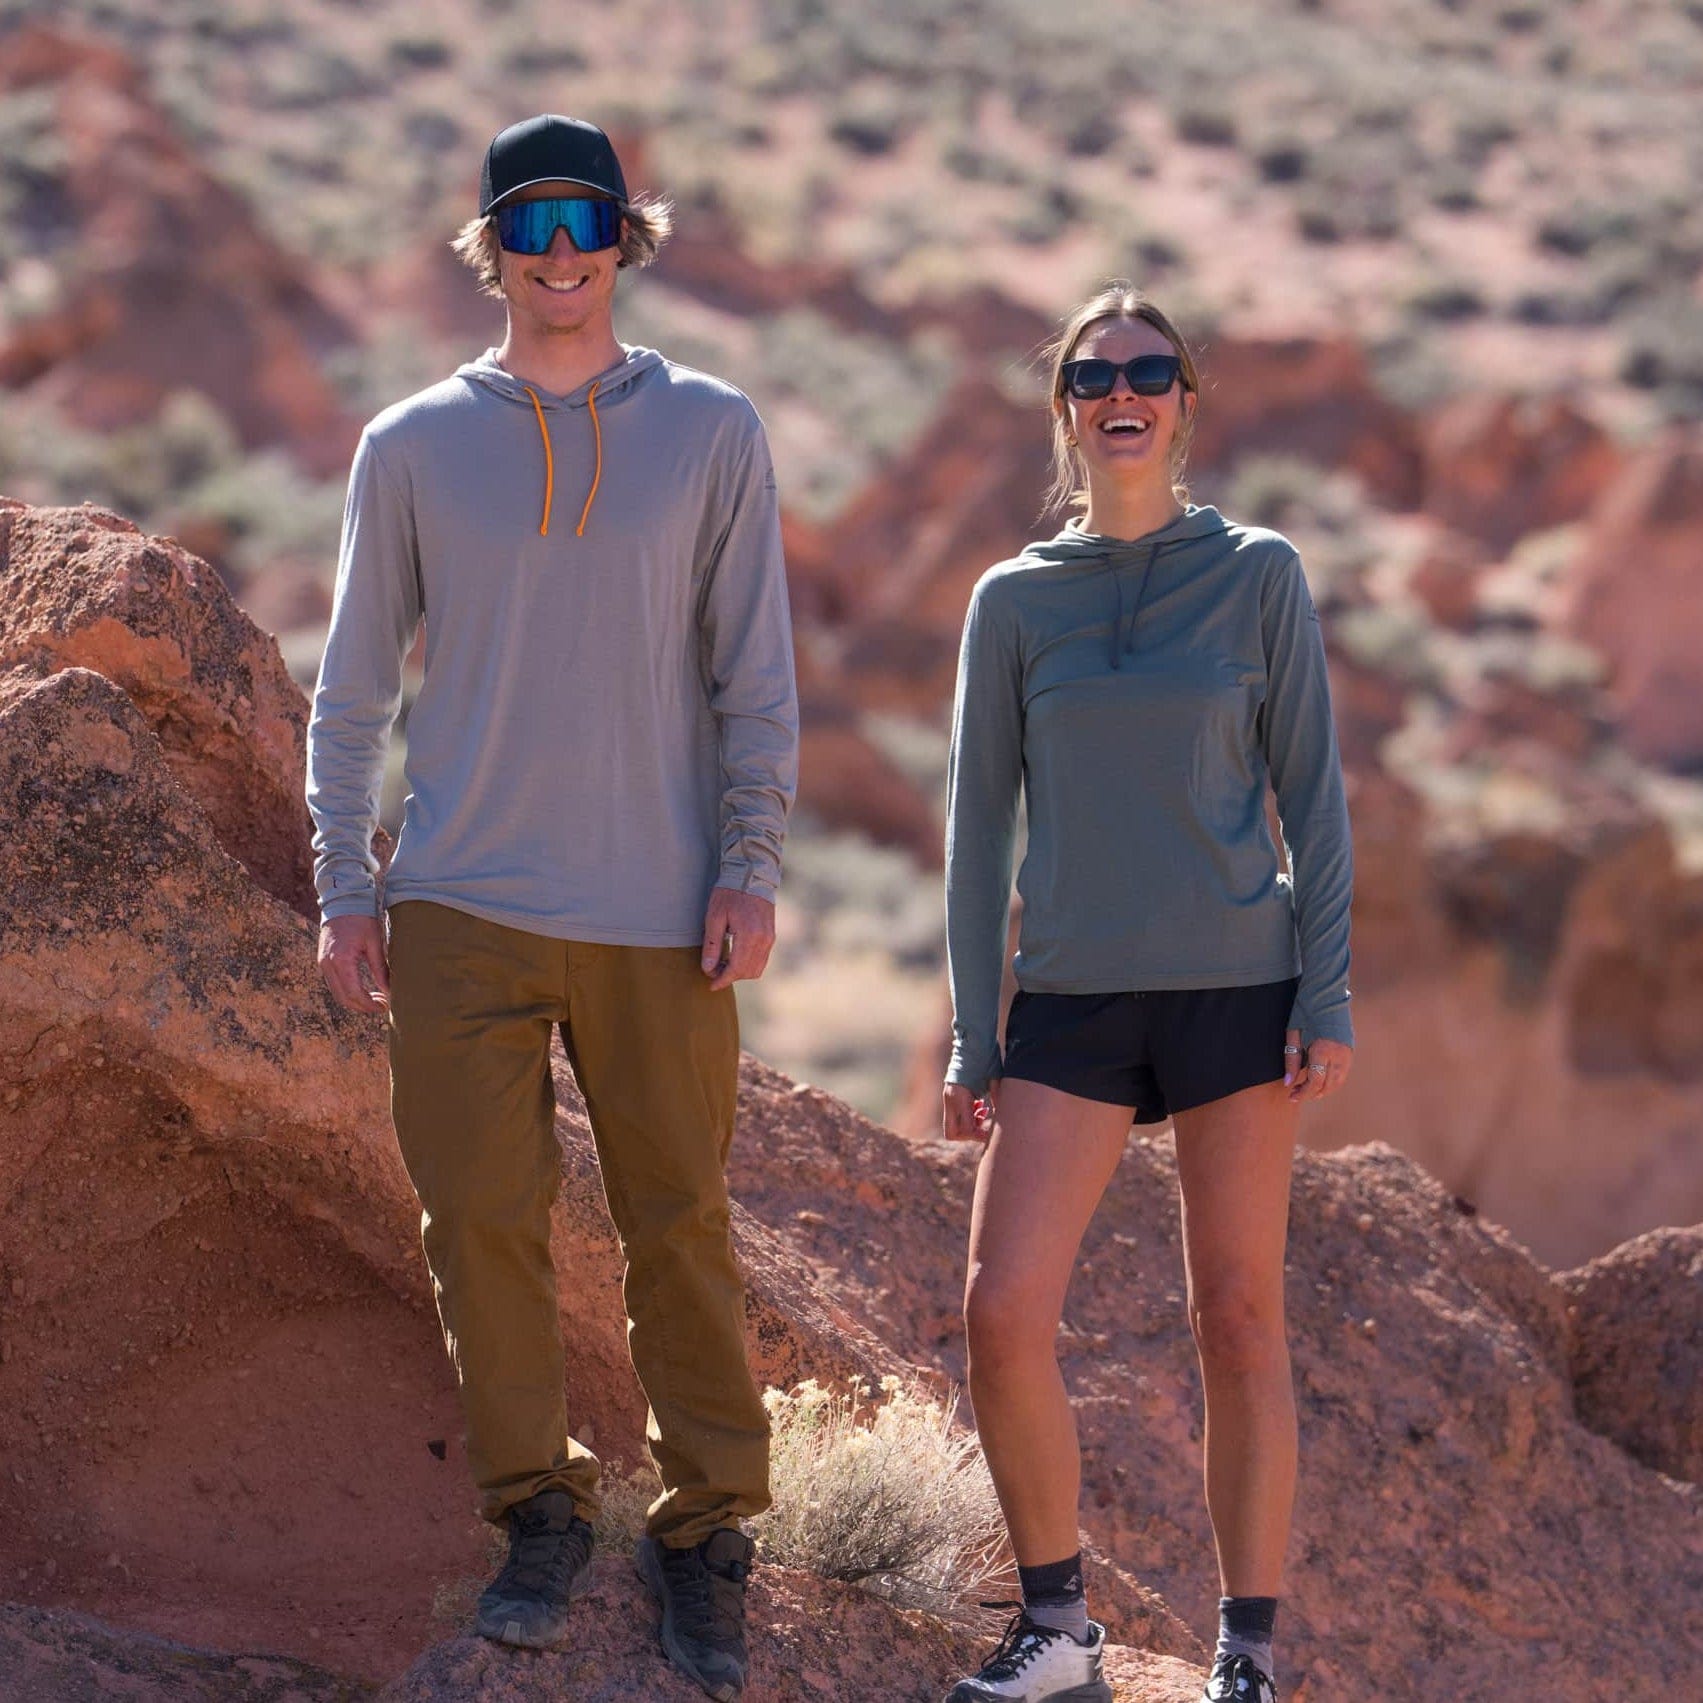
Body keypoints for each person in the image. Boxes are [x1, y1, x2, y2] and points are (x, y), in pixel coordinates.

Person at [305, 113, 798, 1702]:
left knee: (682, 1225)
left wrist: (750, 861)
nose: (561, 249)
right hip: (458, 900)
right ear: (492, 254)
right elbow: (352, 689)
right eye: (529, 226)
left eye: (587, 218)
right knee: (480, 1224)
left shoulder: (712, 430)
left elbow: (755, 674)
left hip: (661, 908)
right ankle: (536, 1508)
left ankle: (708, 1530)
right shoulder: (410, 445)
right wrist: (346, 885)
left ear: (626, 236)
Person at [939, 283, 1354, 1703]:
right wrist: (969, 1028)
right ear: (1063, 407)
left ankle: (1249, 1654)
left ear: (1187, 403)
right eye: (1094, 373)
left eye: (1151, 371)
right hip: (1069, 1001)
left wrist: (1331, 992)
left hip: (1239, 985)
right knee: (1002, 1312)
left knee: (1239, 1319)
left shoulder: (1259, 576)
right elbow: (977, 828)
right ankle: (1059, 1630)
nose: (1124, 392)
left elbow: (1315, 796)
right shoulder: (1013, 600)